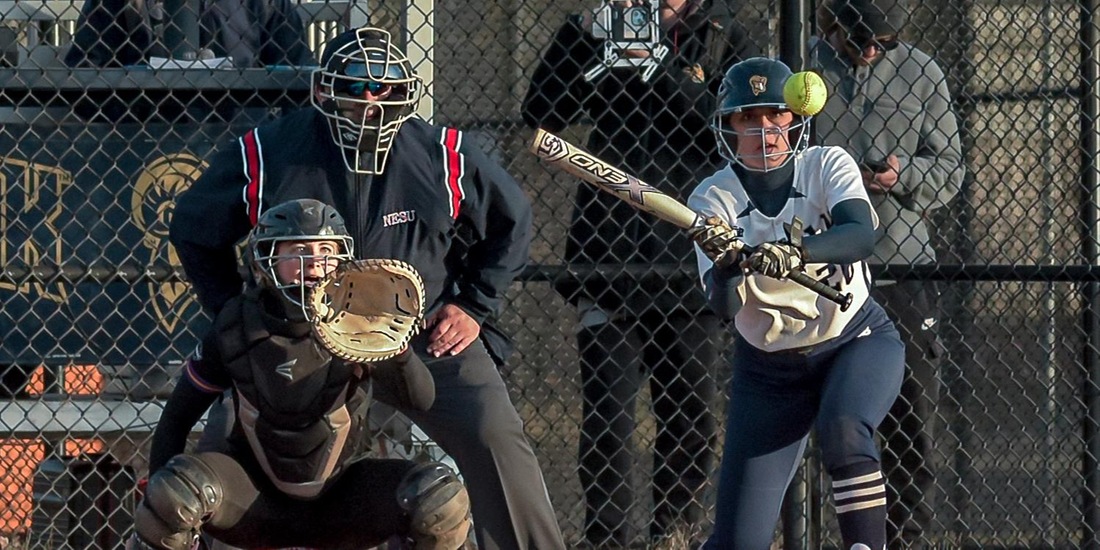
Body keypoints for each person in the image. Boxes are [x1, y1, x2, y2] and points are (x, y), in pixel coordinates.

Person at [168, 26, 567, 550]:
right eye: (353, 85)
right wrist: (239, 314)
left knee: (493, 430)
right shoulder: (270, 151)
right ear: (322, 91)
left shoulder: (440, 152)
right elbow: (194, 228)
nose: (370, 101)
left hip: (415, 335)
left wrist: (473, 304)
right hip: (301, 340)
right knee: (231, 446)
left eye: (385, 88)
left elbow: (511, 221)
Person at [521, 1, 759, 546]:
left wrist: (661, 68)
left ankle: (672, 533)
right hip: (609, 253)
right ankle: (607, 536)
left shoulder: (723, 35)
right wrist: (582, 37)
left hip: (689, 256)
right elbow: (541, 113)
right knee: (608, 419)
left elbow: (724, 133)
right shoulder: (602, 32)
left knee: (692, 419)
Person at [128, 198, 471, 550]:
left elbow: (422, 399)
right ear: (267, 258)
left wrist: (396, 353)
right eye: (298, 249)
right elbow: (177, 416)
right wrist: (156, 507)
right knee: (174, 494)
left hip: (344, 498)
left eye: (326, 249)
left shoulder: (362, 320)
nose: (315, 262)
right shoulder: (236, 326)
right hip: (254, 501)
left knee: (439, 502)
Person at [686, 56, 905, 550]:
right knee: (737, 542)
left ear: (795, 118)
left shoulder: (826, 163)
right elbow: (722, 308)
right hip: (768, 372)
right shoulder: (711, 198)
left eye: (775, 114)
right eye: (748, 118)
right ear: (728, 128)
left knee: (845, 428)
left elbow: (860, 234)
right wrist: (726, 265)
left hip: (854, 340)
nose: (765, 130)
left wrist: (797, 251)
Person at [810, 1, 963, 545]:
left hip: (900, 267)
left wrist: (904, 174)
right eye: (859, 39)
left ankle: (905, 538)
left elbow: (950, 168)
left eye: (885, 41)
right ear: (833, 25)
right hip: (820, 276)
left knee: (911, 423)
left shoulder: (923, 71)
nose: (872, 50)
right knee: (823, 422)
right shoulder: (806, 71)